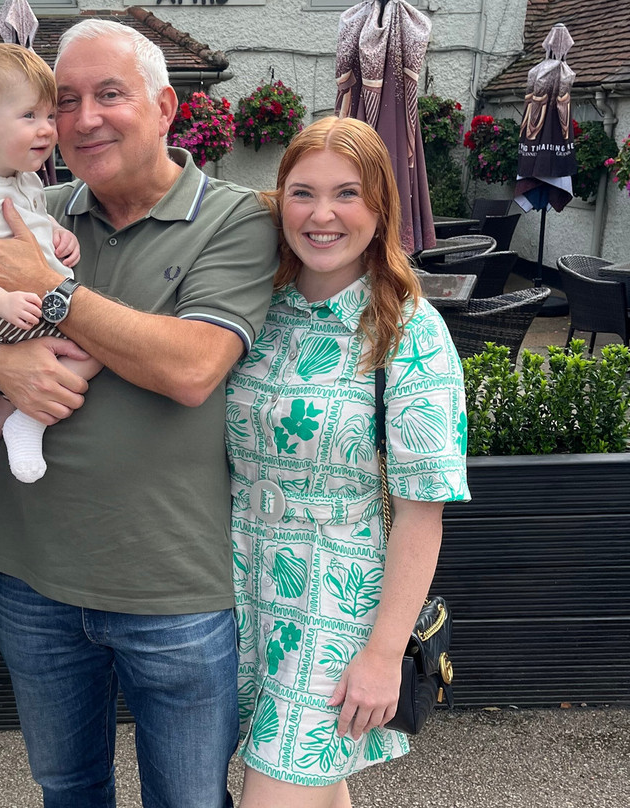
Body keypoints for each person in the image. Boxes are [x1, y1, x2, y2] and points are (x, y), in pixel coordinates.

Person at [0, 19, 277, 808]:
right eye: (65, 100)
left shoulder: (236, 220)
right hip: (35, 578)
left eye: (109, 94)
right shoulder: (31, 209)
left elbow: (192, 368)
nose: (83, 118)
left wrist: (52, 288)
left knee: (188, 800)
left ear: (165, 107)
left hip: (175, 588)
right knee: (67, 789)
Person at [227, 116, 471, 808]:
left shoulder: (410, 331)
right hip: (236, 586)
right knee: (314, 785)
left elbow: (421, 515)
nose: (322, 214)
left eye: (347, 194)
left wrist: (384, 653)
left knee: (279, 789)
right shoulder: (256, 308)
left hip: (336, 602)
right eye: (303, 193)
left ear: (380, 208)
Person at [0, 43, 101, 536]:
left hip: (26, 305)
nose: (48, 129)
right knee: (101, 339)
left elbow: (33, 222)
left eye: (49, 115)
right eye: (29, 115)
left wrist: (60, 235)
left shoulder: (20, 179)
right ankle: (29, 422)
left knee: (13, 394)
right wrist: (1, 300)